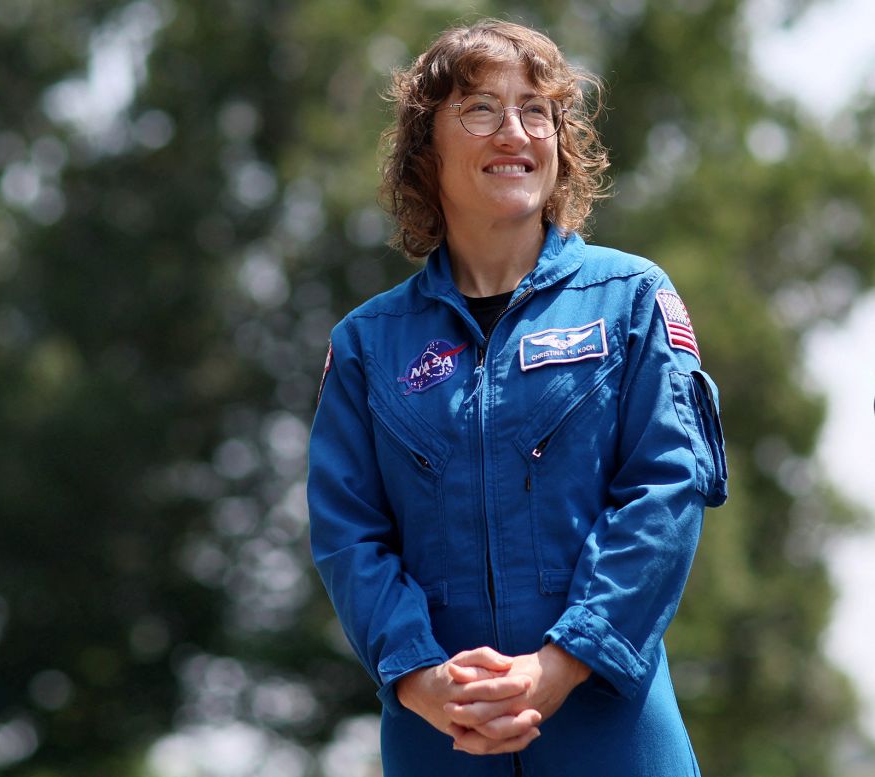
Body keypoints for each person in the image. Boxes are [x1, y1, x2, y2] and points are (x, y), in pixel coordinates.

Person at [307, 18, 728, 777]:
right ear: (424, 149)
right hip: (441, 733)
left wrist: (562, 664)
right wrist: (422, 678)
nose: (514, 130)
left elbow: (664, 491)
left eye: (536, 110)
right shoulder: (365, 344)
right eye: (478, 108)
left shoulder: (632, 298)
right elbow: (348, 534)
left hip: (612, 729)